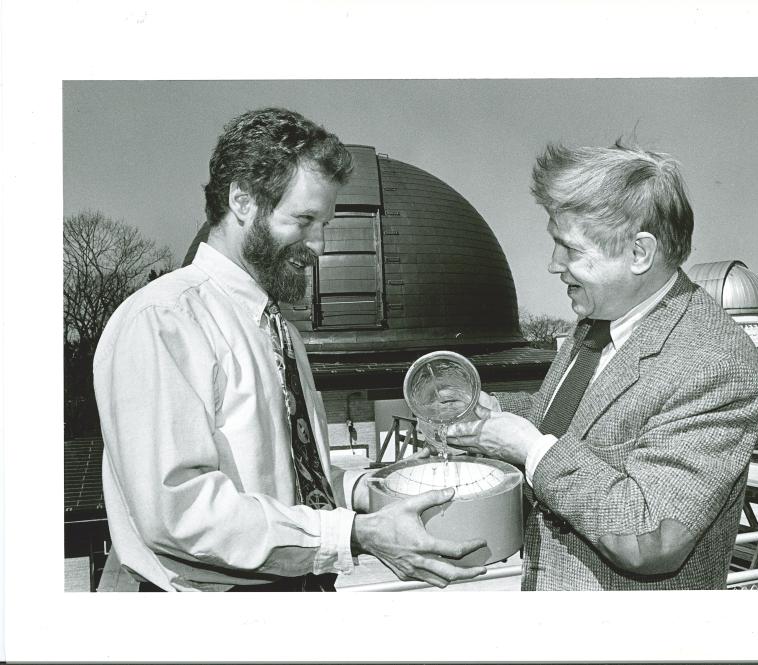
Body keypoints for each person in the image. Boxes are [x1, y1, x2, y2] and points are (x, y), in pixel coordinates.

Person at [94, 107, 486, 591]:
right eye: (303, 220)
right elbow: (180, 512)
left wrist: (375, 490)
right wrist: (354, 534)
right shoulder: (165, 320)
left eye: (324, 223)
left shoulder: (279, 332)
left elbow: (295, 484)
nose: (318, 245)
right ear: (242, 200)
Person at [447, 141, 758, 590]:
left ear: (639, 253)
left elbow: (650, 537)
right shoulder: (596, 323)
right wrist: (493, 411)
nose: (553, 264)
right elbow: (576, 422)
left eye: (570, 249)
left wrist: (529, 449)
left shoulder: (712, 363)